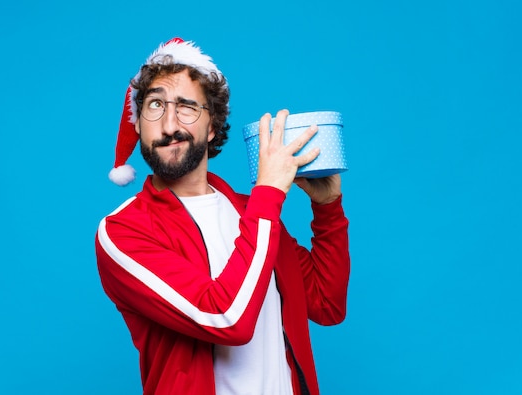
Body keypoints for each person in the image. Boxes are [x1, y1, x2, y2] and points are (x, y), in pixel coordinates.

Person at [95, 37, 350, 395]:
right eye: (154, 106)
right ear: (137, 125)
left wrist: (328, 210)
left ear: (212, 126)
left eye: (186, 107)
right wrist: (270, 191)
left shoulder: (252, 213)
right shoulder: (123, 232)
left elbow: (326, 303)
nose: (169, 125)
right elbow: (226, 319)